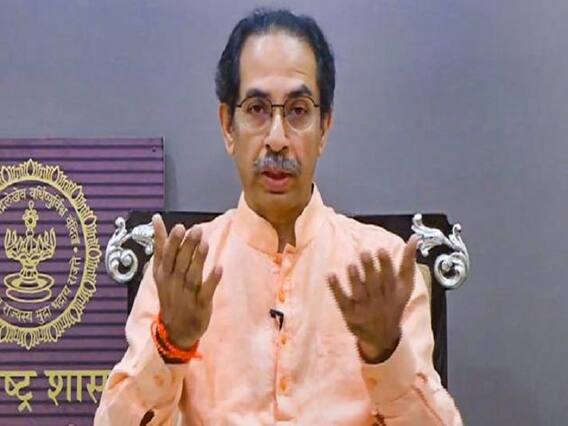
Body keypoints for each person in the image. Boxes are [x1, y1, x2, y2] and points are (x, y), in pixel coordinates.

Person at [95, 8, 462, 425]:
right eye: (256, 109)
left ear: (324, 128)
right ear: (228, 126)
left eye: (298, 111)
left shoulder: (383, 269)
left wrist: (386, 353)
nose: (276, 138)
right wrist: (171, 344)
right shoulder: (184, 271)